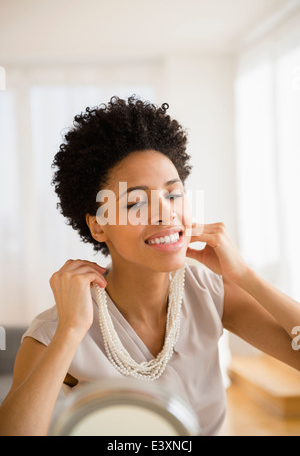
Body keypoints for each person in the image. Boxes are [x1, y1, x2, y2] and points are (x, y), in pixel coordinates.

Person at [0, 96, 299, 436]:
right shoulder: (56, 328)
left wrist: (245, 277)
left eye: (173, 195)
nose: (165, 213)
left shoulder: (208, 290)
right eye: (135, 202)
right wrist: (71, 331)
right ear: (98, 225)